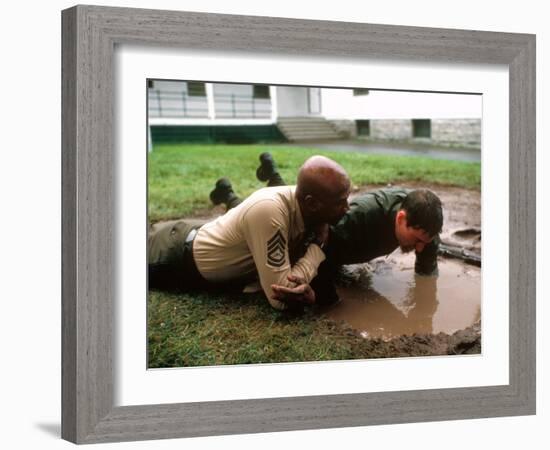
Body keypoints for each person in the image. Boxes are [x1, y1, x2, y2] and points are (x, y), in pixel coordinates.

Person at [209, 153, 443, 305]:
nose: (421, 247)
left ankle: (272, 173)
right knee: (274, 219)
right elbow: (317, 250)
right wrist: (326, 298)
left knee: (292, 204)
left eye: (426, 241)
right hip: (309, 225)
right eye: (417, 240)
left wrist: (424, 298)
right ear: (401, 219)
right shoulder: (355, 222)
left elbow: (427, 273)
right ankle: (228, 194)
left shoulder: (426, 225)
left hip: (316, 212)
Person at [148, 155, 351, 311]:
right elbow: (280, 297)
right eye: (340, 202)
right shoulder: (270, 211)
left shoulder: (304, 204)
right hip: (175, 256)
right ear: (311, 203)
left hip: (206, 231)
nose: (347, 207)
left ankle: (225, 191)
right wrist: (317, 248)